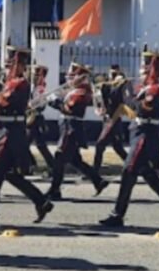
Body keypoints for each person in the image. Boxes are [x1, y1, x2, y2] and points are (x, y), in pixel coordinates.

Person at [0, 46, 54, 227]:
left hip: (10, 132)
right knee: (7, 173)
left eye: (11, 65)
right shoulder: (10, 81)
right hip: (5, 129)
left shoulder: (18, 82)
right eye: (7, 65)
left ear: (20, 65)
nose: (7, 69)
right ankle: (41, 201)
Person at [99, 50, 159, 228]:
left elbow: (140, 108)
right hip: (137, 132)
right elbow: (120, 103)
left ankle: (117, 214)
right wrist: (113, 89)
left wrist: (127, 91)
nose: (141, 70)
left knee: (128, 171)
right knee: (149, 175)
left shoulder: (157, 89)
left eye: (146, 66)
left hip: (146, 133)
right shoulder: (142, 88)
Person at [46, 63, 109, 200]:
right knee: (75, 161)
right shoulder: (74, 90)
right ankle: (98, 181)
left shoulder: (82, 92)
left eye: (72, 76)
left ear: (80, 78)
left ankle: (54, 190)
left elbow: (68, 109)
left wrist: (55, 103)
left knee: (59, 158)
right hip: (67, 126)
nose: (69, 79)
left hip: (71, 127)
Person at [92, 66, 129, 172]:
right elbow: (102, 98)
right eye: (110, 74)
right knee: (118, 148)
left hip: (114, 120)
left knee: (100, 145)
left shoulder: (120, 88)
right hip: (107, 119)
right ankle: (134, 167)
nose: (111, 77)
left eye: (114, 74)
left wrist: (120, 81)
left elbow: (116, 97)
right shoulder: (107, 87)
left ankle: (94, 171)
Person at [26, 65, 56, 176]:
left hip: (36, 119)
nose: (33, 76)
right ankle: (32, 165)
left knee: (38, 145)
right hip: (30, 117)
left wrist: (33, 105)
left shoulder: (40, 88)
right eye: (33, 74)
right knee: (32, 145)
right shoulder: (30, 86)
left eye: (36, 75)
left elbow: (42, 105)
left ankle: (34, 165)